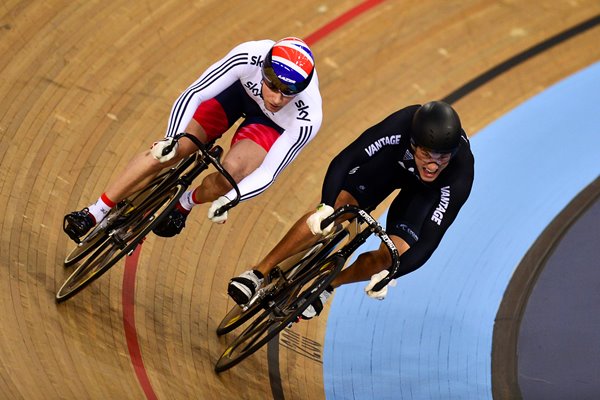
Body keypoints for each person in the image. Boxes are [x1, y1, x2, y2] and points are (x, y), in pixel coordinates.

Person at [227, 101, 474, 319]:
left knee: (393, 255)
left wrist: (390, 274)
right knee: (336, 210)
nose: (433, 165)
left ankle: (328, 286)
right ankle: (257, 273)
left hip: (421, 196)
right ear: (413, 143)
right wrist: (325, 206)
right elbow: (347, 158)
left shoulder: (460, 171)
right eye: (426, 154)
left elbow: (430, 239)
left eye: (442, 157)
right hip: (387, 169)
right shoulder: (401, 125)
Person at [63, 37, 322, 242]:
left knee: (230, 177)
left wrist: (229, 200)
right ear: (263, 70)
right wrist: (171, 138)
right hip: (234, 95)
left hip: (267, 125)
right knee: (171, 152)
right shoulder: (250, 55)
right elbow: (195, 93)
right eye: (273, 86)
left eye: (288, 93)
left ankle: (184, 202)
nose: (277, 99)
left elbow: (269, 172)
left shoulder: (308, 115)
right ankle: (96, 210)